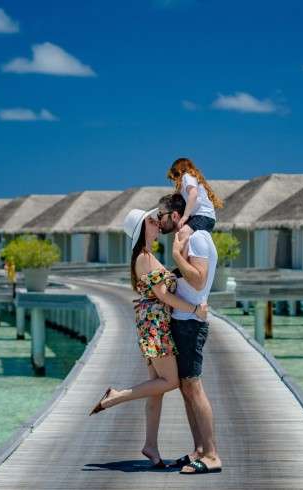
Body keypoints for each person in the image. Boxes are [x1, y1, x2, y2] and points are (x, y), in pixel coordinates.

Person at [89, 208, 208, 469]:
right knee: (171, 381)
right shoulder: (144, 258)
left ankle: (150, 446)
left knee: (157, 388)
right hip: (155, 323)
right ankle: (116, 396)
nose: (158, 224)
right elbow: (163, 295)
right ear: (143, 229)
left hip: (153, 320)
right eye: (152, 221)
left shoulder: (149, 257)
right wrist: (194, 310)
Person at [157, 192, 223, 475]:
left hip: (190, 324)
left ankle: (211, 454)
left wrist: (174, 255)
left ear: (175, 215)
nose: (159, 222)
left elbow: (198, 278)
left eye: (161, 216)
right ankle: (198, 449)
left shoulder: (196, 239)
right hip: (183, 319)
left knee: (194, 387)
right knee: (186, 388)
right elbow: (189, 278)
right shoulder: (191, 238)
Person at [166, 157, 223, 237]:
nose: (175, 181)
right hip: (205, 218)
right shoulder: (188, 182)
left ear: (179, 171)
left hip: (202, 216)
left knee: (183, 233)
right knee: (184, 235)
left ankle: (178, 250)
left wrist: (185, 217)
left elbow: (193, 194)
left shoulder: (187, 176)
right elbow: (180, 193)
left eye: (175, 176)